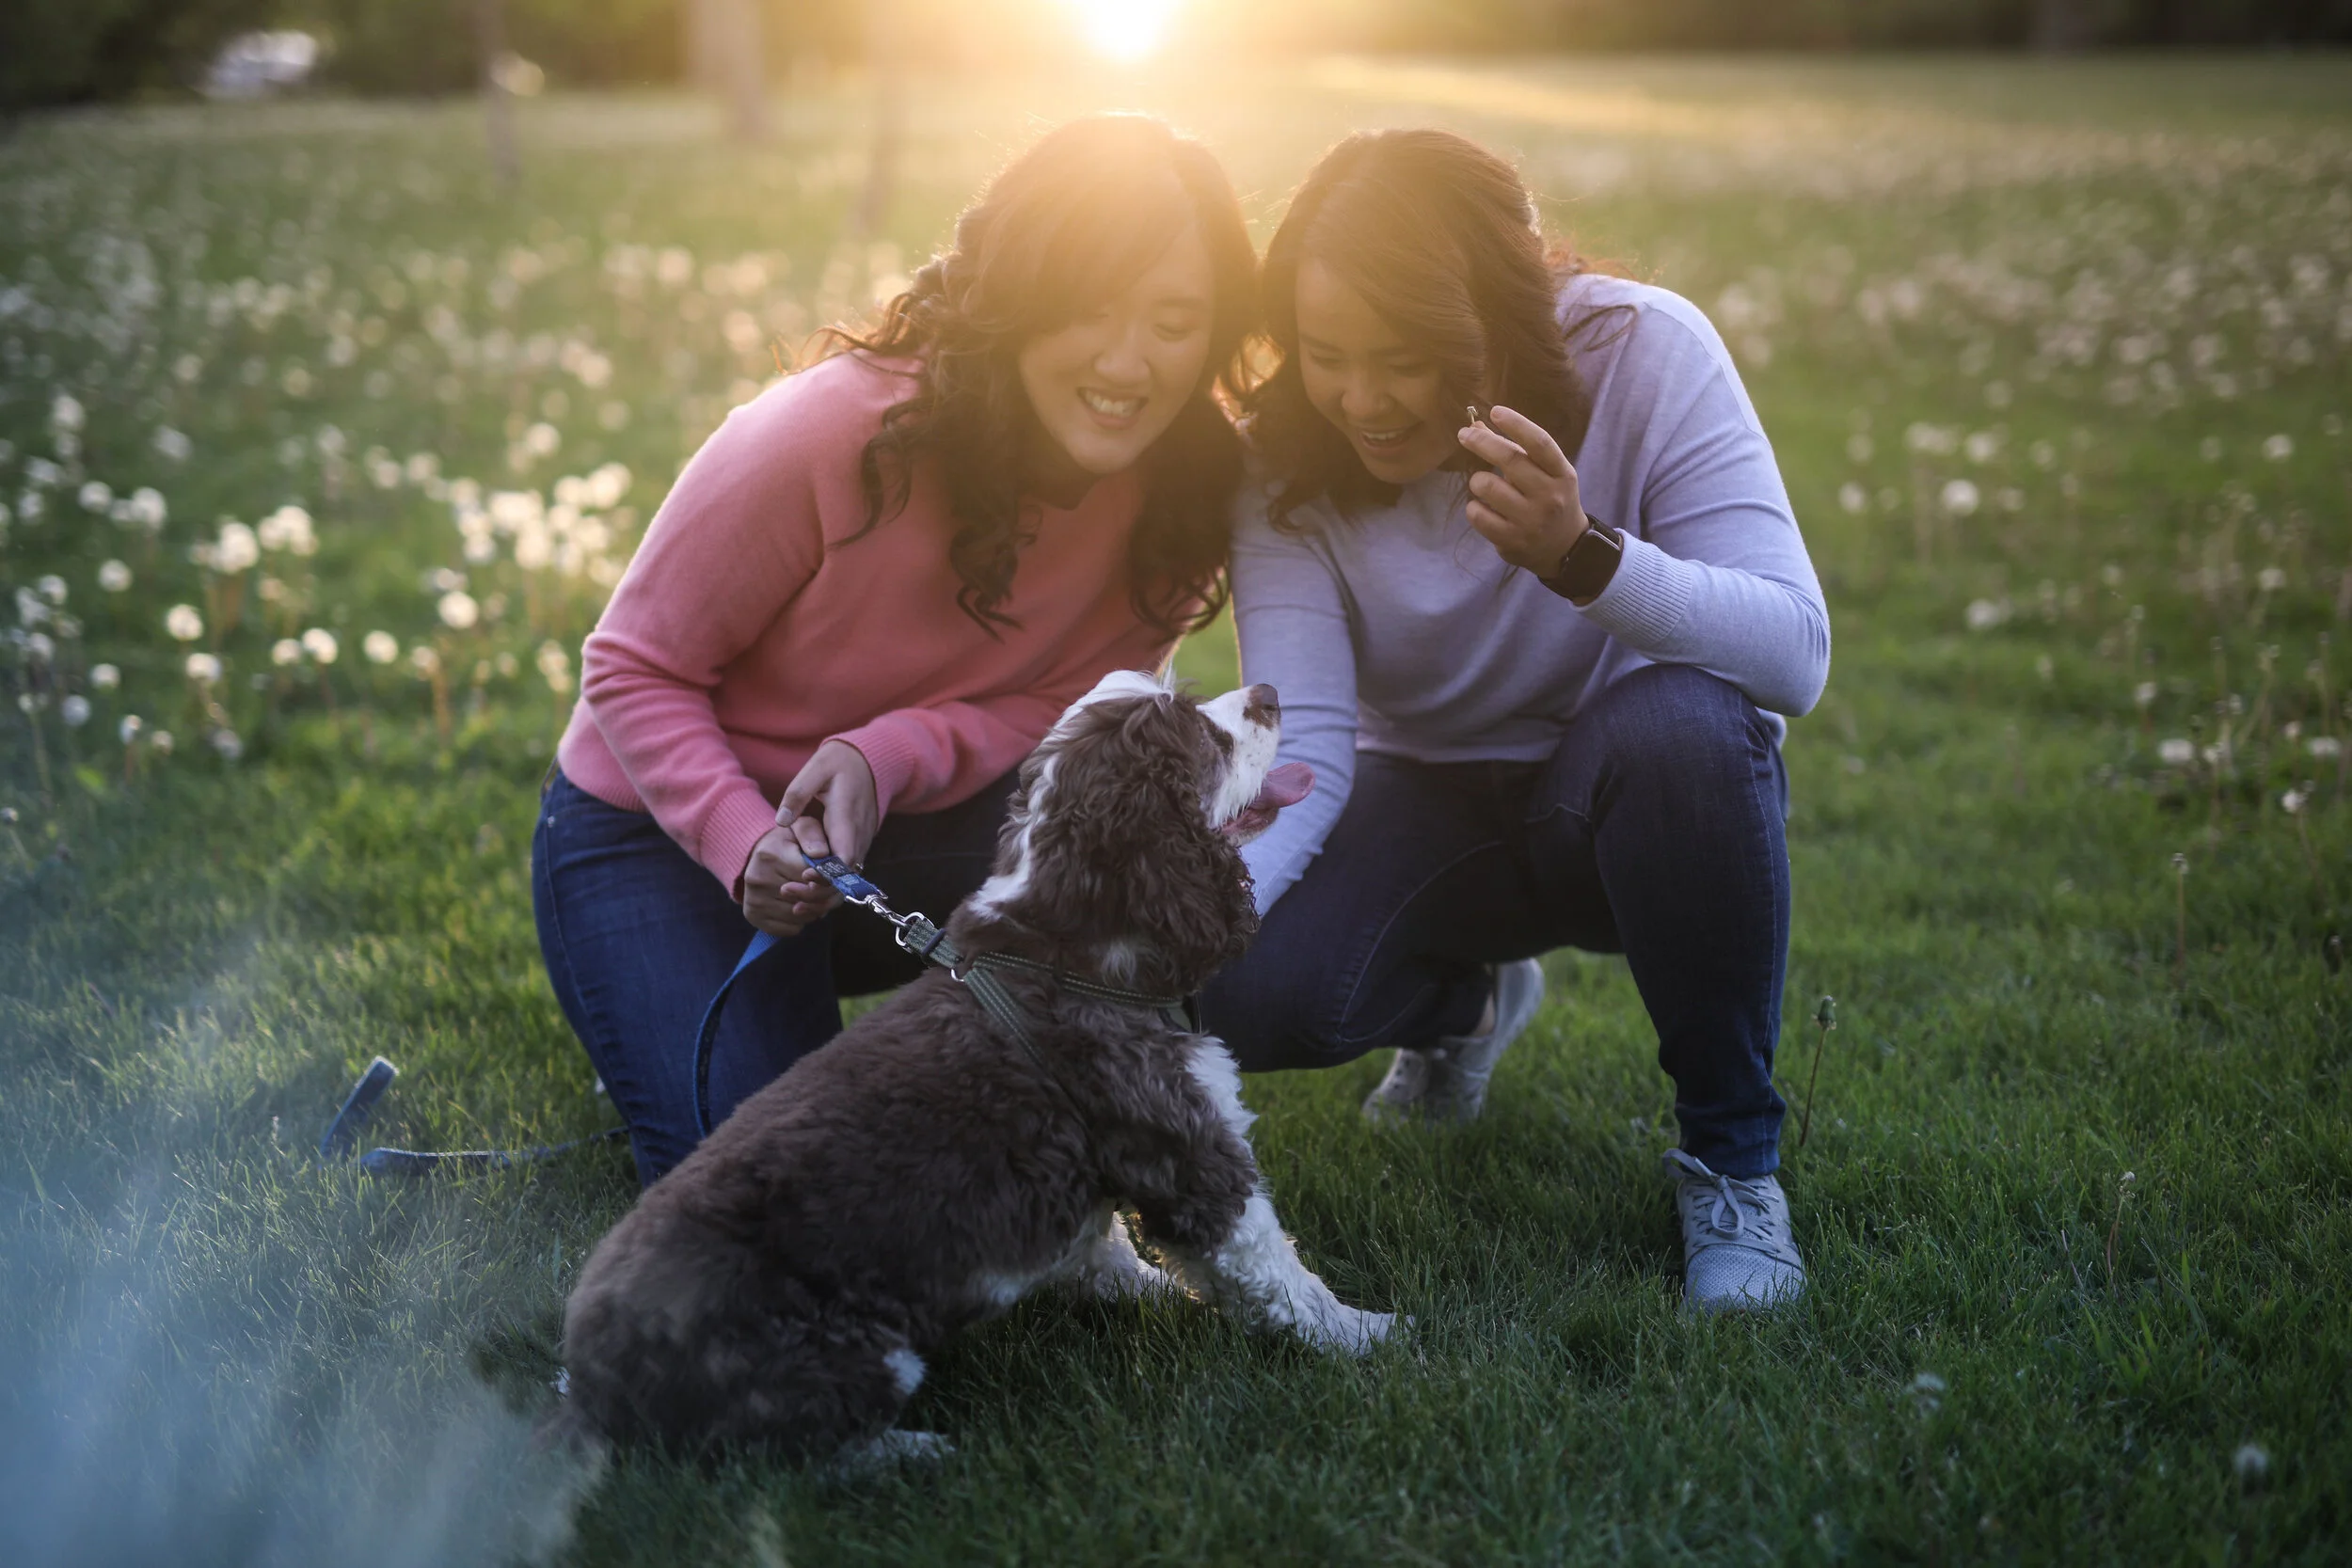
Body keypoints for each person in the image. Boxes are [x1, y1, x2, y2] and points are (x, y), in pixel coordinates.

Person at [533, 115, 1259, 1186]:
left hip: (898, 826)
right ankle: (680, 1021)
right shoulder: (831, 432)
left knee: (1138, 836)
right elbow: (635, 667)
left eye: (1172, 320)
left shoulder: (1180, 492)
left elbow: (1065, 705)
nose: (1126, 361)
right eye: (1091, 309)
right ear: (1019, 303)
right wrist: (745, 841)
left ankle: (1100, 1105)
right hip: (660, 831)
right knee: (776, 1189)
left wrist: (884, 755)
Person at [1200, 130, 1831, 1313]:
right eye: (1326, 353)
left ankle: (1733, 1165)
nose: (1363, 399)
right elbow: (1313, 746)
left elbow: (1794, 654)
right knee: (1246, 994)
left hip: (1630, 804)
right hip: (1425, 807)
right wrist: (1211, 923)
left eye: (1406, 358)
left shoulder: (1646, 352)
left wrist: (1584, 559)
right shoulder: (1284, 451)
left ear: (1501, 313)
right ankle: (1468, 1008)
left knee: (1689, 725)